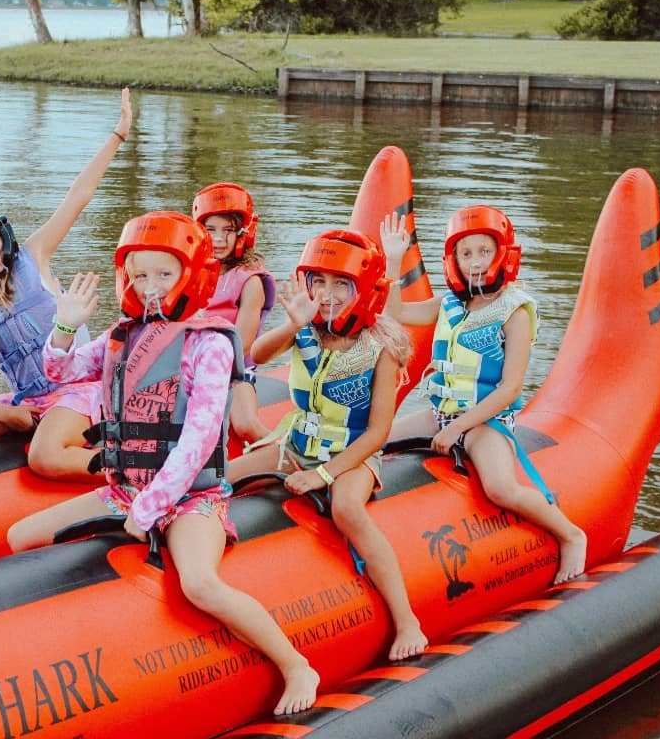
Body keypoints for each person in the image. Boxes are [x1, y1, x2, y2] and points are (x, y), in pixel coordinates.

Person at [7, 211, 320, 716]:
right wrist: (63, 325)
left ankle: (295, 664)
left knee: (199, 583)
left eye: (164, 274)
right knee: (21, 537)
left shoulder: (209, 343)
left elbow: (198, 439)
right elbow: (57, 370)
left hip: (190, 499)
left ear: (191, 274)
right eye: (139, 274)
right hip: (127, 489)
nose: (150, 286)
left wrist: (151, 507)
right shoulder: (121, 335)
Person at [227, 229, 428, 662]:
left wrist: (323, 474)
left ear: (364, 290)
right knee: (221, 479)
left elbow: (377, 433)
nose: (328, 293)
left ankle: (406, 618)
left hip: (352, 454)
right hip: (296, 441)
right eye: (319, 281)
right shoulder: (308, 331)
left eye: (341, 284)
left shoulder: (381, 348)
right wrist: (292, 324)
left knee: (347, 510)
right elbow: (254, 356)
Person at [380, 207, 587, 584]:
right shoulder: (449, 305)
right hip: (440, 414)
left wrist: (458, 427)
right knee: (375, 439)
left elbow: (509, 388)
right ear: (454, 260)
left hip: (486, 421)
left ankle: (571, 535)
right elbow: (392, 311)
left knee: (500, 487)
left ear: (502, 254)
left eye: (484, 251)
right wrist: (393, 259)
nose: (475, 262)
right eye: (466, 253)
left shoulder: (515, 312)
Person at [0, 86, 133, 484]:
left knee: (44, 457)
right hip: (27, 401)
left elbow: (78, 197)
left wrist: (118, 134)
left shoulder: (34, 255)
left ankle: (140, 475)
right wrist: (3, 412)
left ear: (2, 235)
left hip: (81, 388)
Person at [192, 182, 276, 443]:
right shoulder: (190, 273)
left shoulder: (250, 281)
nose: (218, 239)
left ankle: (288, 455)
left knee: (245, 425)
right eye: (210, 230)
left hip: (233, 371)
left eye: (227, 230)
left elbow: (243, 344)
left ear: (243, 233)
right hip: (190, 366)